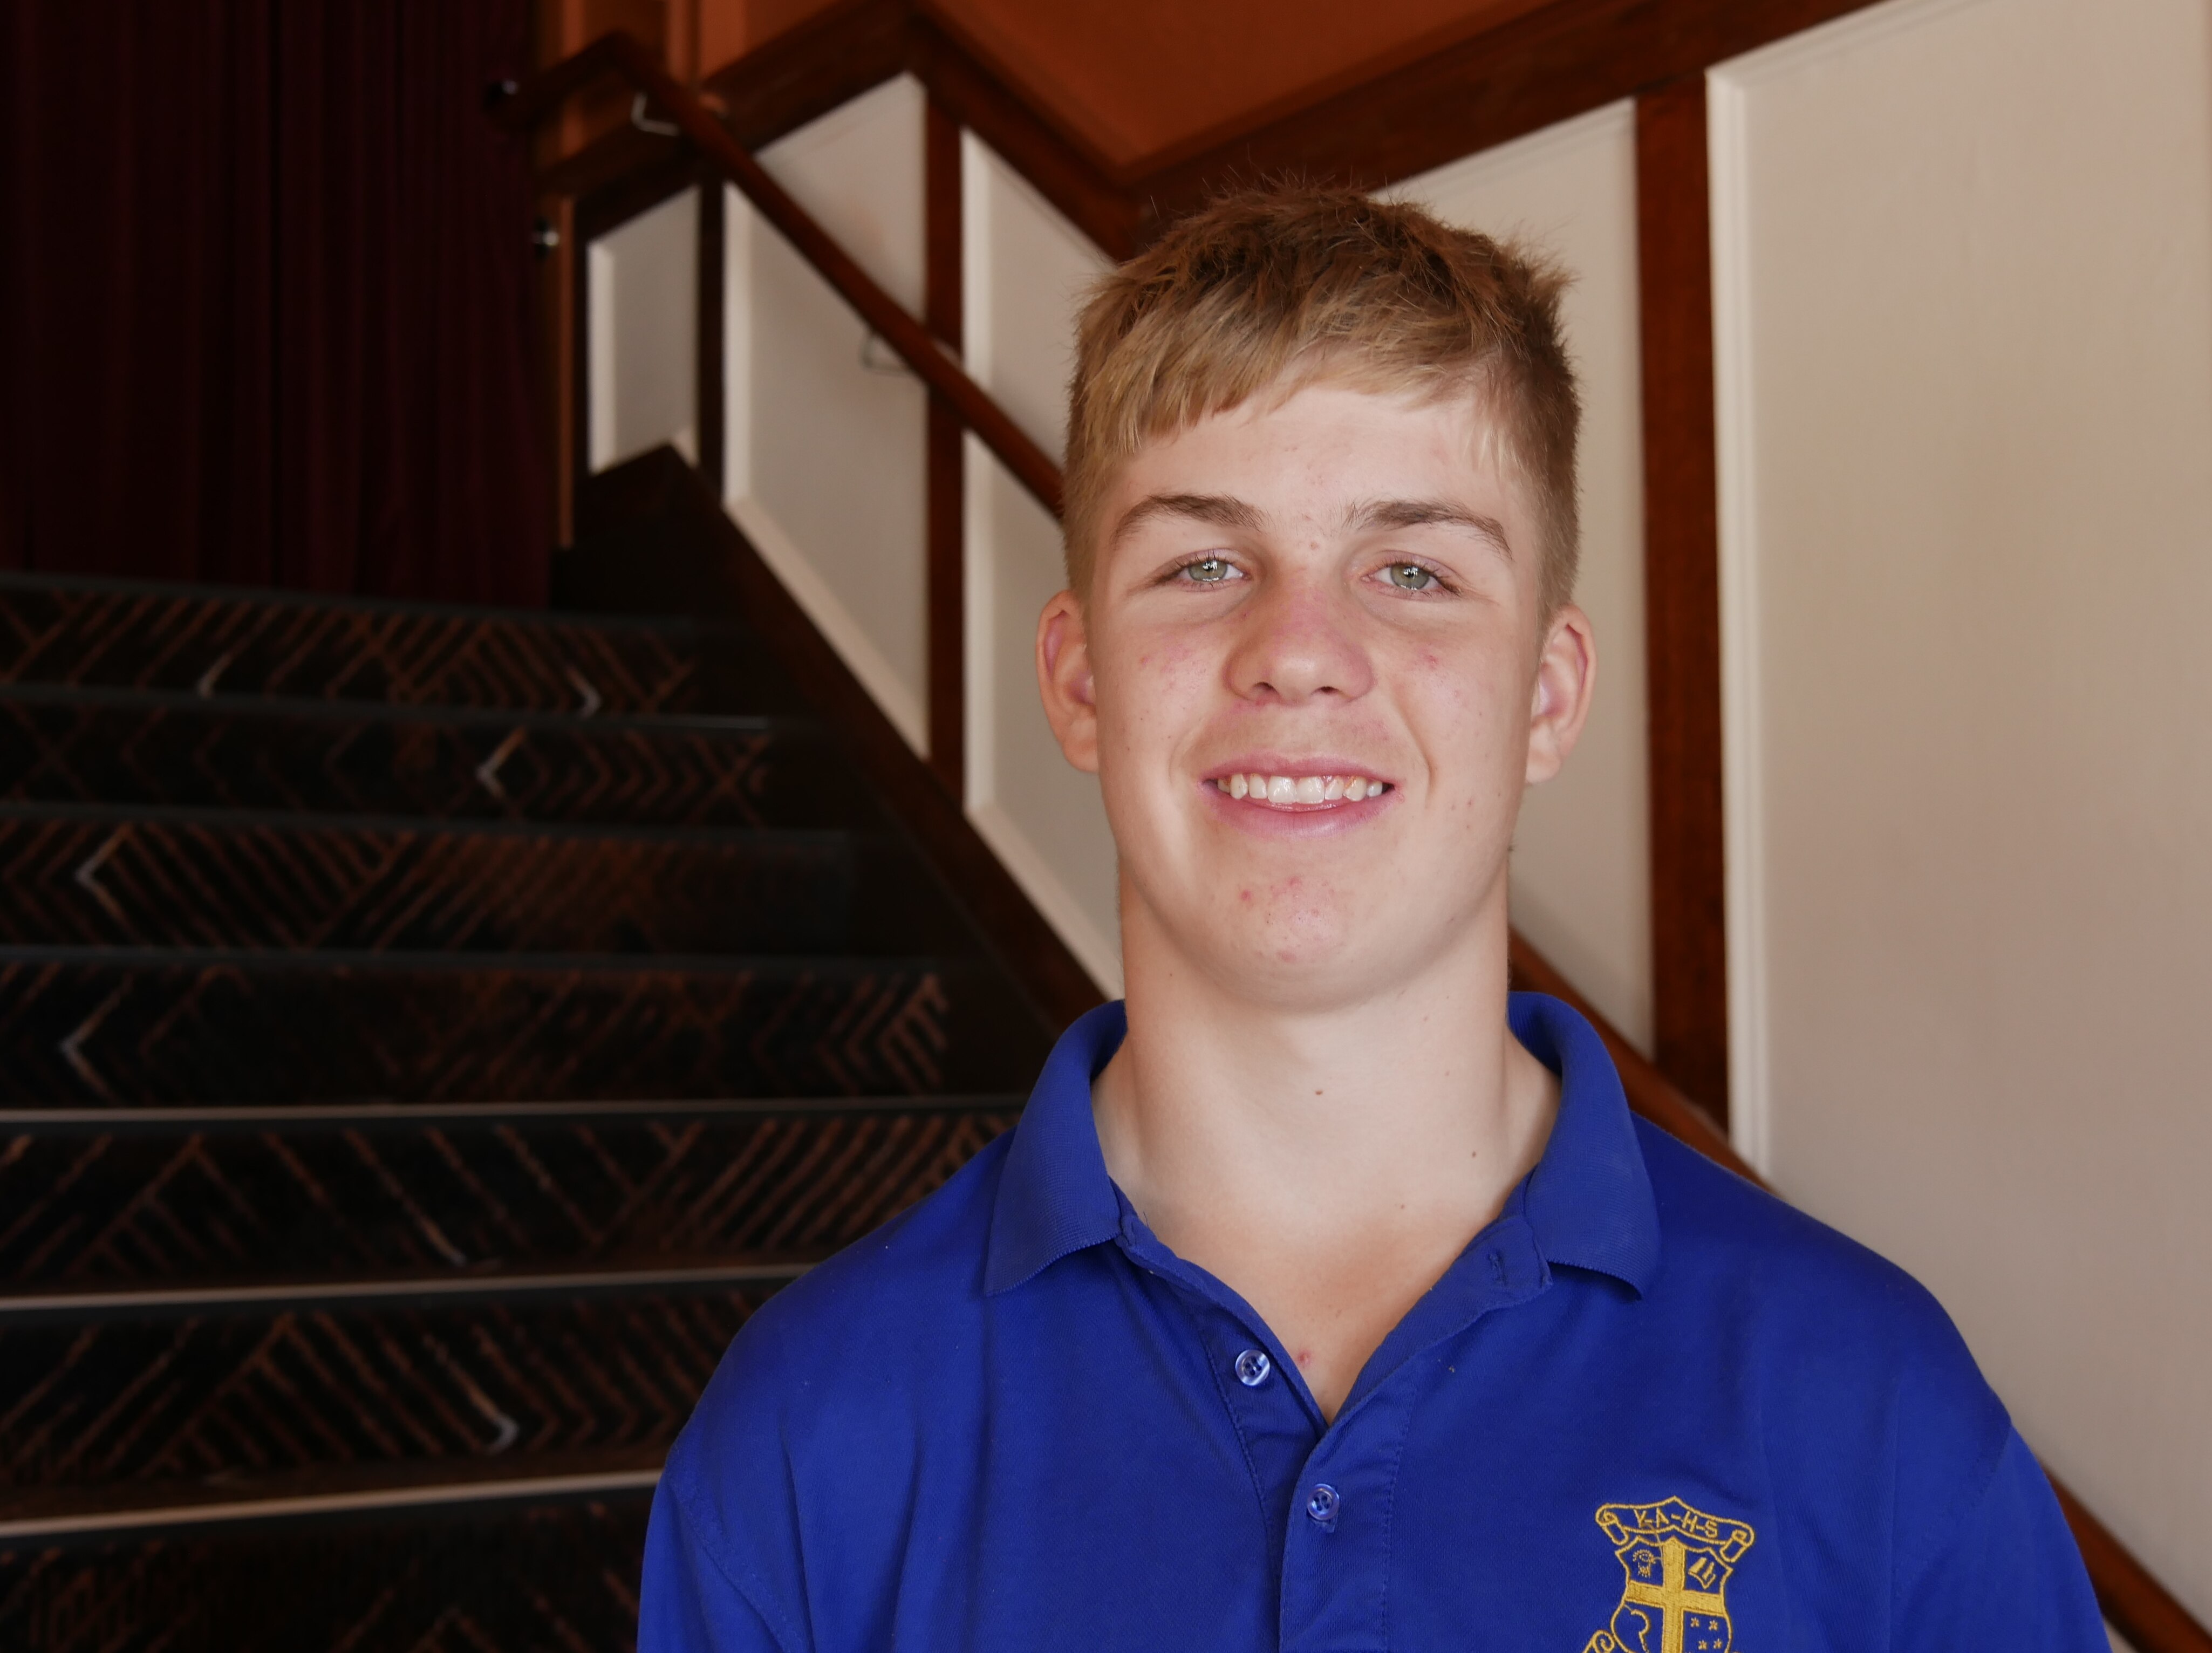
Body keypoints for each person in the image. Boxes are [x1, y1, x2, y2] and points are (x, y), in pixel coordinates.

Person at [639, 187, 2111, 1652]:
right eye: (1205, 562)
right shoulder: (809, 1436)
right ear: (1082, 681)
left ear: (1547, 694)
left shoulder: (1873, 1406)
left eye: (1414, 570)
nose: (1299, 652)